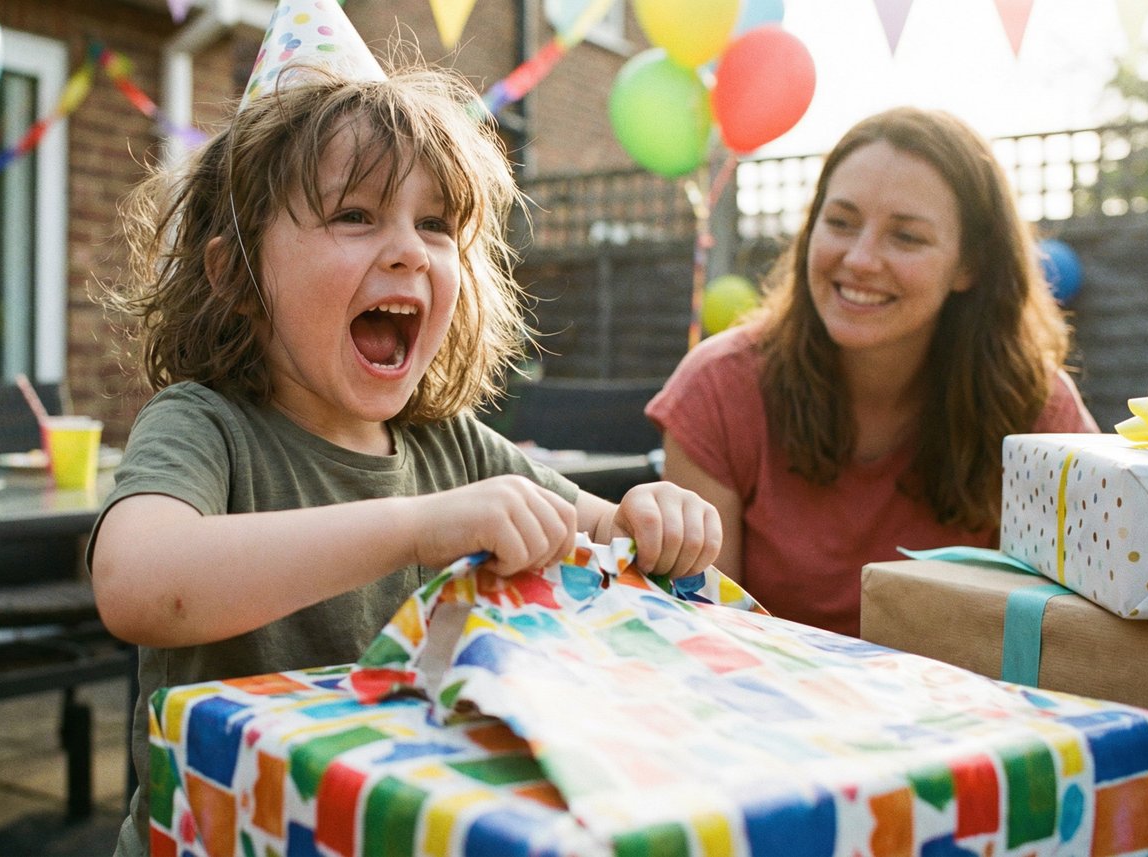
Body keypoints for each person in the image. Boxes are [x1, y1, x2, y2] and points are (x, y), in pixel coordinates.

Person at [89, 5, 721, 854]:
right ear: (235, 274)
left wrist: (654, 517)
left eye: (434, 225)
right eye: (356, 216)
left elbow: (605, 535)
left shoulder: (450, 446)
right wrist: (419, 526)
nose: (409, 252)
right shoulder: (206, 427)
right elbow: (138, 583)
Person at [646, 106, 1098, 639]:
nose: (859, 259)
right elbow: (705, 638)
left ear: (969, 264)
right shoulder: (719, 389)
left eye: (906, 237)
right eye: (839, 223)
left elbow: (1081, 631)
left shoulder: (1035, 406)